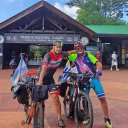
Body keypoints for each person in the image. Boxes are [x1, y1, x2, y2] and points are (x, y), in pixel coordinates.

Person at [68, 42, 112, 128]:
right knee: (84, 99)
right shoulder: (74, 56)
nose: (80, 49)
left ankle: (107, 118)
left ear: (84, 47)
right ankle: (87, 116)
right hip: (83, 80)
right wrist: (75, 50)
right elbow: (66, 53)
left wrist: (99, 71)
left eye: (81, 47)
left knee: (102, 97)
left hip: (93, 78)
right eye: (77, 48)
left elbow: (98, 63)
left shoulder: (89, 55)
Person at [37, 40, 76, 127]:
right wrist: (40, 81)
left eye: (60, 47)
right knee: (38, 100)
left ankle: (59, 119)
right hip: (41, 77)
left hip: (50, 79)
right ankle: (36, 117)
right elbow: (43, 68)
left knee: (55, 98)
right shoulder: (48, 55)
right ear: (53, 47)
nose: (58, 49)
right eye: (57, 47)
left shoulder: (62, 54)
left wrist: (79, 50)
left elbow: (69, 52)